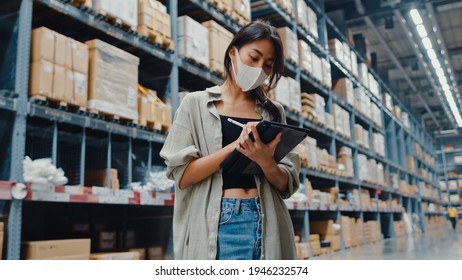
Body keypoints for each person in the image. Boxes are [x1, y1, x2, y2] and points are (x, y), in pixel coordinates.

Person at [160, 20, 300, 260]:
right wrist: (237, 146)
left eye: (268, 65)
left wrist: (267, 162)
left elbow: (286, 186)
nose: (259, 70)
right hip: (222, 222)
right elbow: (182, 176)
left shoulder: (273, 112)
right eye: (253, 58)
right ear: (233, 52)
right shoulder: (195, 104)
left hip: (268, 219)